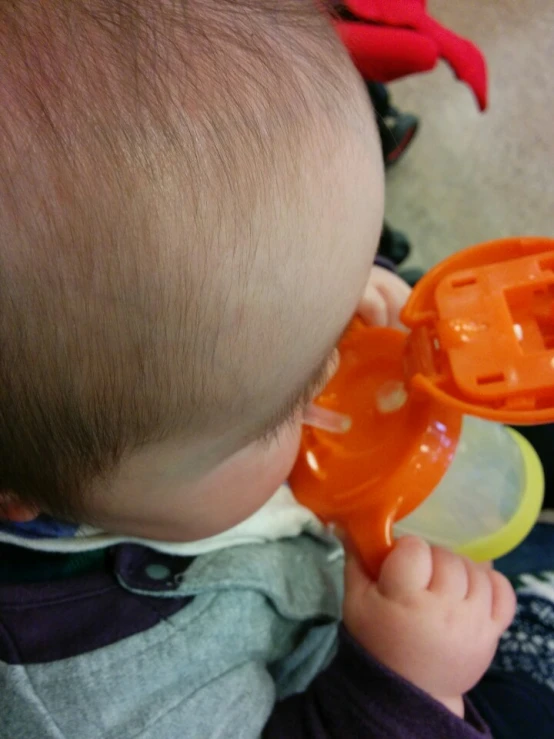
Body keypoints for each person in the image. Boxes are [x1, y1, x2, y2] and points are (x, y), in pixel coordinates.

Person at [0, 1, 522, 737]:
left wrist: (348, 284)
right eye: (281, 406)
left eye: (334, 317)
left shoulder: (166, 382)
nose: (337, 372)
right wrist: (404, 686)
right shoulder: (102, 697)